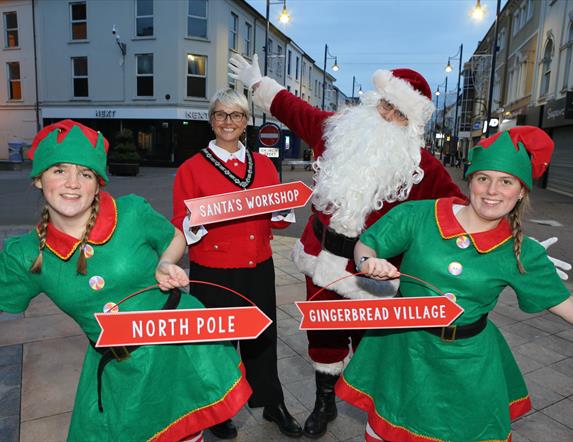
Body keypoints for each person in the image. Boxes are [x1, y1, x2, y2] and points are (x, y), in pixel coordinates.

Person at [229, 53, 465, 437]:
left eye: (399, 114)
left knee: (372, 340)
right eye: (386, 105)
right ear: (375, 102)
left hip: (374, 272)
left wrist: (508, 239)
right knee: (323, 335)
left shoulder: (422, 167)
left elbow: (459, 209)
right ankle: (325, 402)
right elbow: (295, 109)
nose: (387, 117)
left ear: (412, 124)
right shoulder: (336, 130)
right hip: (321, 259)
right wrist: (259, 84)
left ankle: (372, 398)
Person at [0, 120, 251, 442]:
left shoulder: (130, 212)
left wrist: (164, 262)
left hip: (179, 342)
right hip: (120, 366)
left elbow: (174, 237)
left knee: (187, 431)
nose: (73, 183)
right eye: (59, 170)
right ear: (38, 179)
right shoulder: (23, 255)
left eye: (86, 174)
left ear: (98, 183)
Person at [337, 126, 573, 441]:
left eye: (506, 182)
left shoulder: (521, 252)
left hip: (469, 364)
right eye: (483, 178)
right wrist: (368, 263)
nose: (492, 191)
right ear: (470, 181)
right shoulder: (421, 215)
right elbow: (368, 244)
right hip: (404, 352)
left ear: (521, 191)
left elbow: (567, 307)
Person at [172, 89, 302, 439]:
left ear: (246, 122)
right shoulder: (191, 168)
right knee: (219, 343)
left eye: (236, 115)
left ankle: (272, 403)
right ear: (211, 120)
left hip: (258, 265)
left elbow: (274, 219)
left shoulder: (263, 165)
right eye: (220, 114)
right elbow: (180, 224)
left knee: (263, 337)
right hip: (212, 271)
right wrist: (195, 222)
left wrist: (282, 208)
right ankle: (220, 409)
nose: (228, 122)